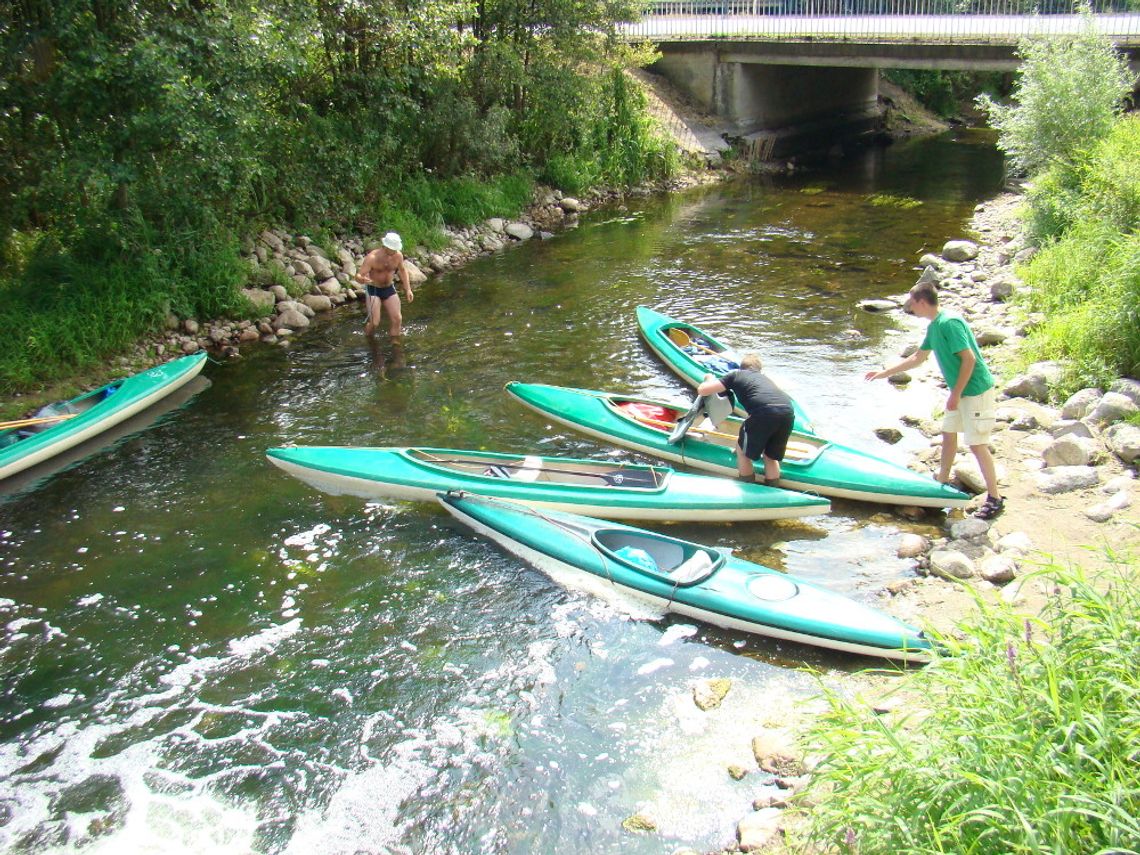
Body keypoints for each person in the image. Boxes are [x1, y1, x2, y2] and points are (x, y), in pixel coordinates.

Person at [865, 280, 1004, 520]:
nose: (910, 307)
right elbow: (918, 358)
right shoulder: (934, 327)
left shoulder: (949, 323)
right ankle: (941, 482)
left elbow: (969, 359)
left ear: (921, 301)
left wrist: (956, 393)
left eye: (911, 303)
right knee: (948, 434)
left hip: (975, 391)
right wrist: (884, 373)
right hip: (959, 392)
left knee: (977, 444)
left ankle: (995, 498)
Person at [696, 352, 794, 484]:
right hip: (787, 412)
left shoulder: (736, 375)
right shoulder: (765, 379)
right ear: (759, 369)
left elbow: (703, 390)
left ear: (742, 367)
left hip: (764, 412)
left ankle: (747, 485)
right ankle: (772, 489)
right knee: (770, 457)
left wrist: (708, 378)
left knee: (742, 451)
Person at [355, 232, 414, 338]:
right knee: (375, 322)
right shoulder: (372, 257)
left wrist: (408, 289)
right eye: (393, 249)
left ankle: (395, 342)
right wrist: (362, 279)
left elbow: (402, 271)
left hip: (389, 288)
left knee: (397, 319)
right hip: (374, 289)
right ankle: (368, 338)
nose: (395, 251)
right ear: (386, 246)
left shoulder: (398, 256)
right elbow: (359, 275)